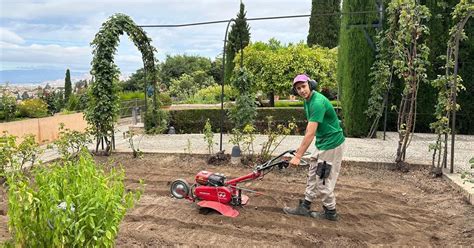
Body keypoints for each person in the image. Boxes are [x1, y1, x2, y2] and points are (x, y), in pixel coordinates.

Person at [283, 74, 345, 221]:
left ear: (310, 85)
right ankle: (305, 206)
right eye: (298, 88)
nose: (302, 90)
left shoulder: (317, 102)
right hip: (322, 142)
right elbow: (311, 128)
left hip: (332, 144)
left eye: (303, 86)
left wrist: (298, 155)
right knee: (312, 172)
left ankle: (330, 212)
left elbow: (310, 133)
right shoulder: (307, 100)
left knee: (323, 178)